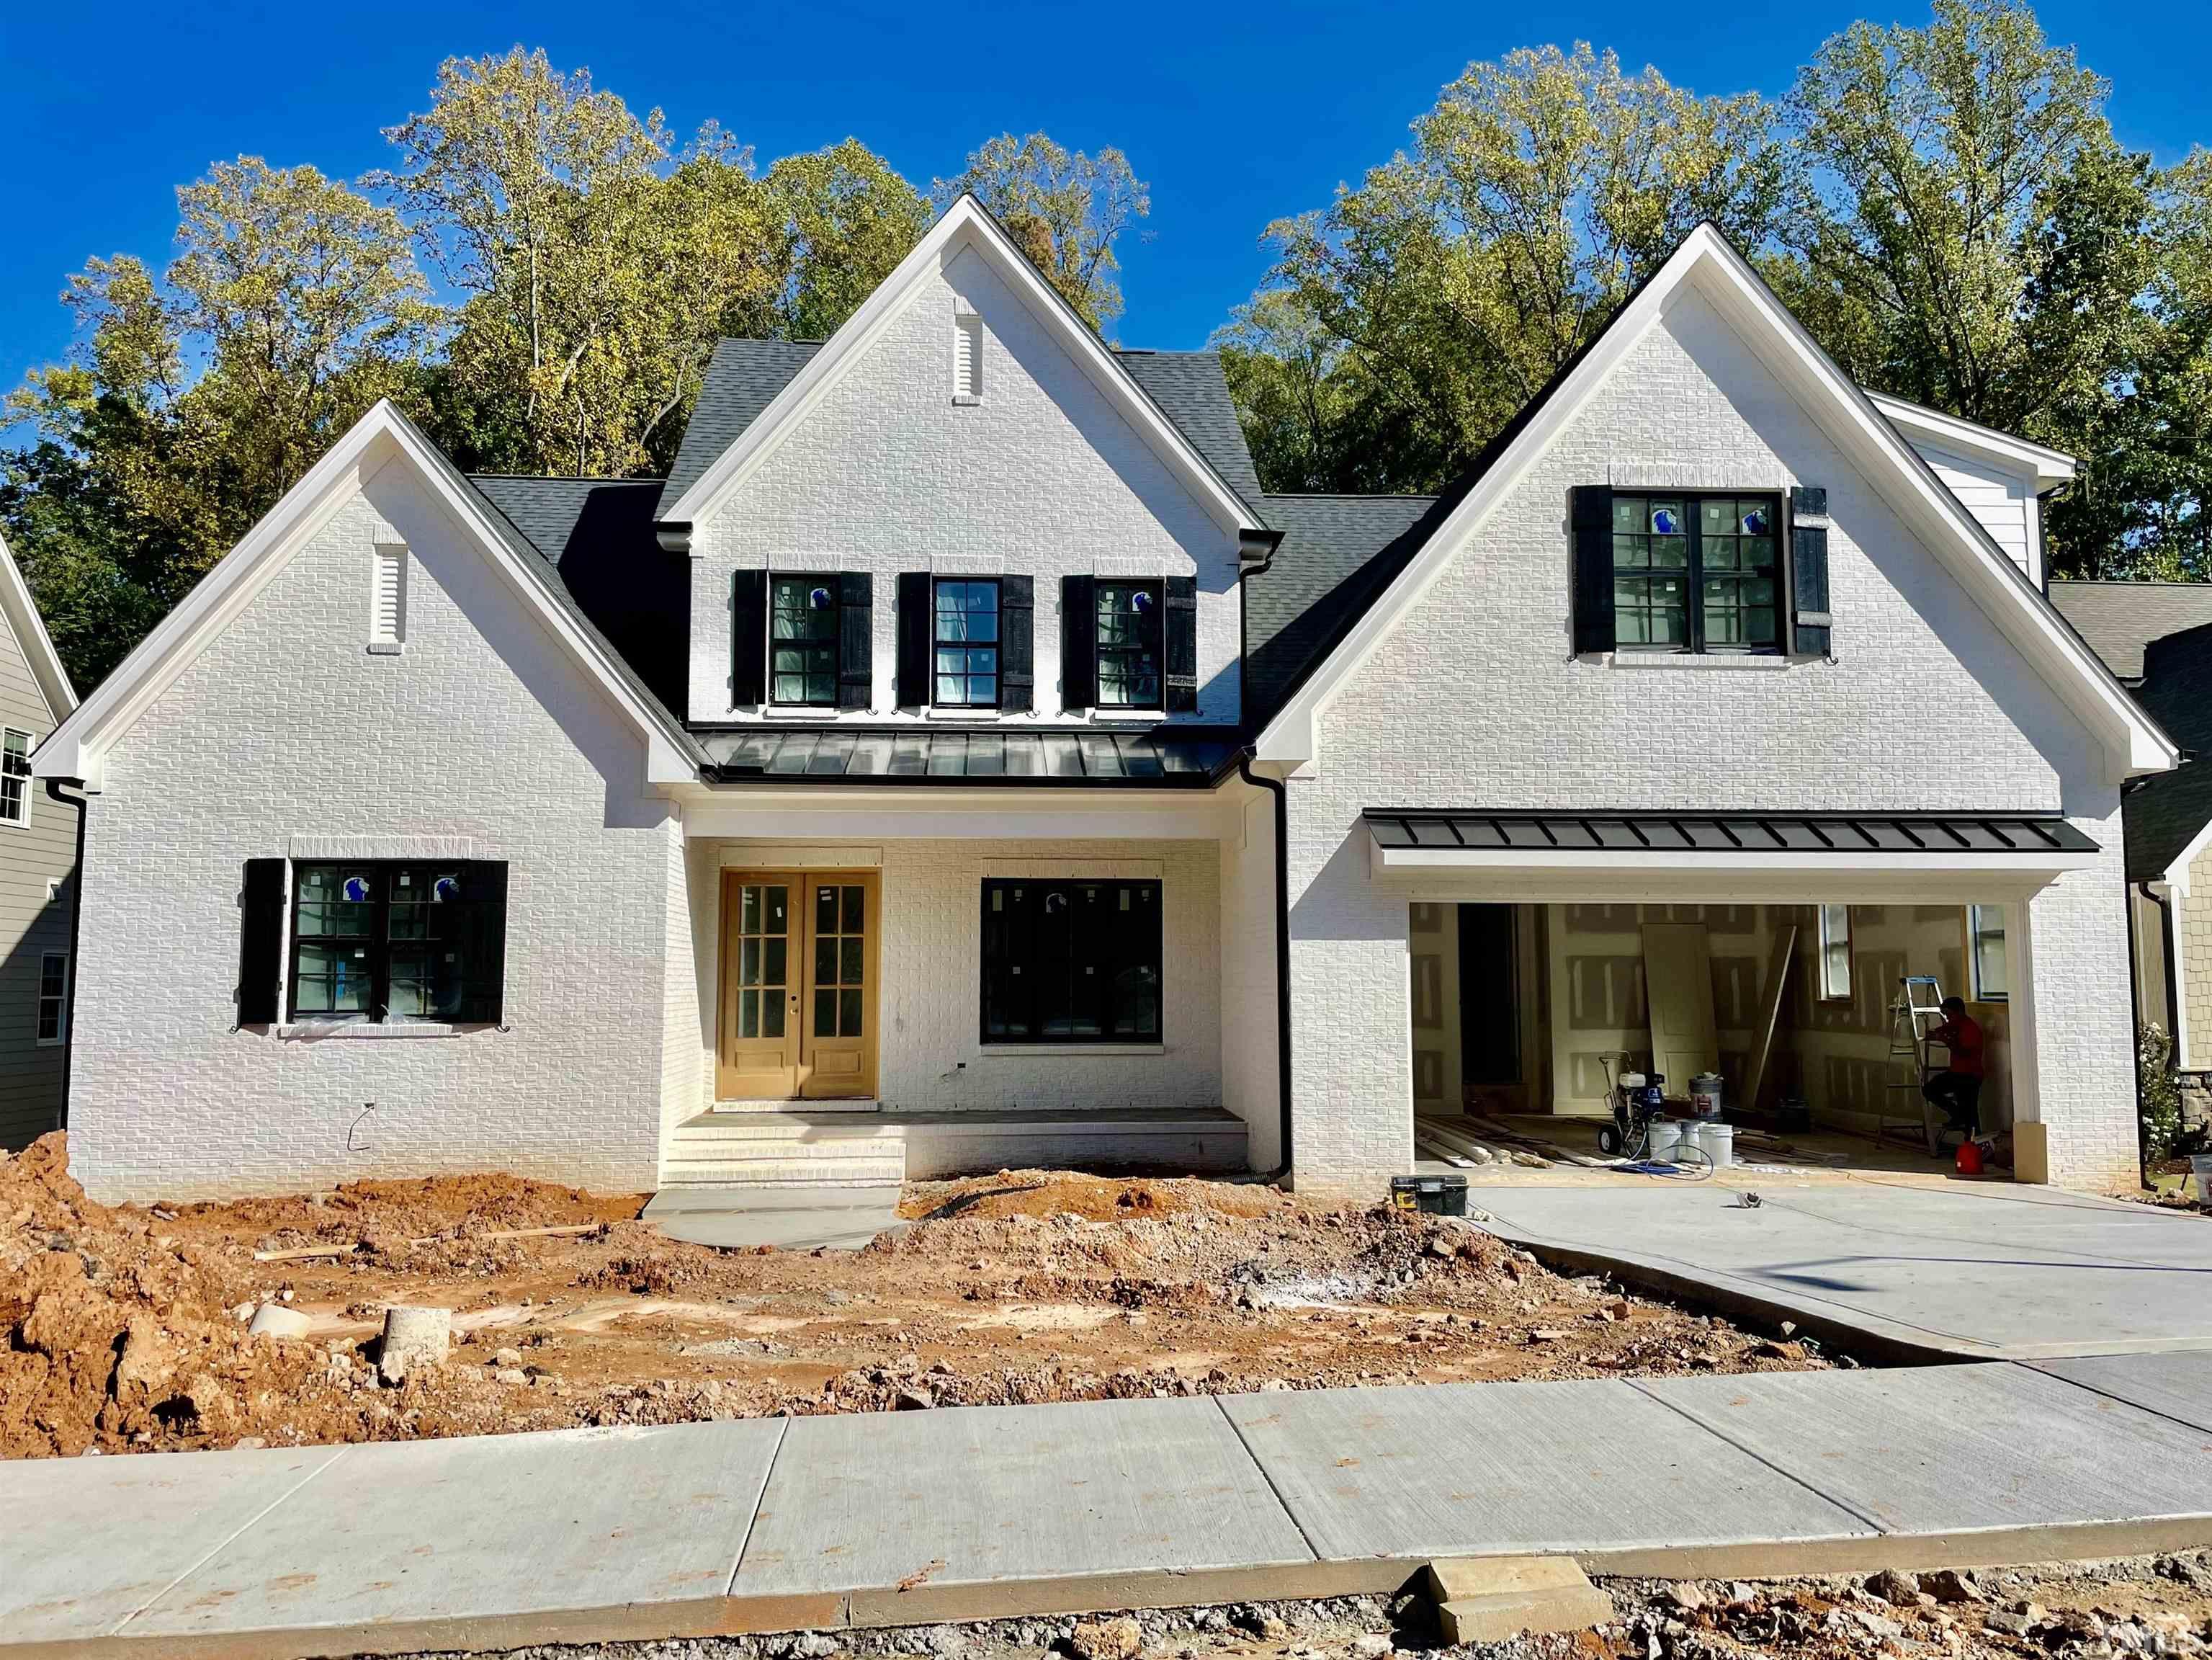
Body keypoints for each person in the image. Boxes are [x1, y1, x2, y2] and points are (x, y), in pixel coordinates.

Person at [1922, 995, 1986, 1155]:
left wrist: (1944, 1039)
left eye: (1949, 1014)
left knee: (1970, 1114)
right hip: (1957, 1074)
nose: (1947, 1018)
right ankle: (1958, 1116)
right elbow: (1945, 1029)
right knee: (1930, 1090)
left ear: (1958, 1012)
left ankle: (1974, 1150)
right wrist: (1935, 1033)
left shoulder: (1969, 1028)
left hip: (1969, 1076)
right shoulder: (1955, 1024)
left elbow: (1964, 1052)